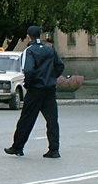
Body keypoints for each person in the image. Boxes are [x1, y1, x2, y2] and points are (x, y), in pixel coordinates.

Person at [6, 25, 65, 158]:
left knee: (26, 119)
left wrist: (28, 84)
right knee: (52, 120)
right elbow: (60, 66)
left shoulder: (29, 51)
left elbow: (28, 70)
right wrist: (51, 77)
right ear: (40, 36)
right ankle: (54, 149)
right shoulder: (49, 49)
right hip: (49, 89)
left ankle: (18, 147)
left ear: (28, 36)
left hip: (36, 89)